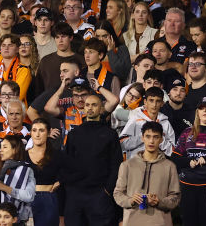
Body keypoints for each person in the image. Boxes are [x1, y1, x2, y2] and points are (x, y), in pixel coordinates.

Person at [61, 92, 122, 226]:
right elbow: (66, 164)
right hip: (76, 195)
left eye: (94, 105)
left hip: (100, 195)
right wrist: (70, 189)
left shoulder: (110, 135)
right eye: (87, 105)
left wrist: (107, 190)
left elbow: (116, 165)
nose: (90, 108)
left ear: (101, 109)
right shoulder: (74, 134)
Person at [171, 97, 206, 226]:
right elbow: (175, 158)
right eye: (201, 108)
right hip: (187, 186)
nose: (205, 111)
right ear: (197, 112)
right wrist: (188, 161)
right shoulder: (187, 133)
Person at [114, 121, 181, 225]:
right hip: (133, 221)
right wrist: (130, 200)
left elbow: (175, 198)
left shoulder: (170, 166)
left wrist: (159, 202)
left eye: (155, 137)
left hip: (160, 222)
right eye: (148, 136)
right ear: (142, 138)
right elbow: (118, 194)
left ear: (161, 139)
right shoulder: (127, 165)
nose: (151, 141)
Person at [0, 134, 34, 223]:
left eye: (5, 147)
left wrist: (4, 188)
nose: (0, 150)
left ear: (15, 149)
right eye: (0, 147)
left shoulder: (25, 169)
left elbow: (29, 196)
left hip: (16, 220)